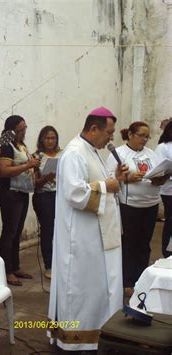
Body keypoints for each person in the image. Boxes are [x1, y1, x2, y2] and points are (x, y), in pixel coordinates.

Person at [47, 107, 129, 351]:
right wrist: (109, 185)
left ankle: (99, 334)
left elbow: (100, 183)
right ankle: (76, 340)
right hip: (81, 239)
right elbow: (75, 193)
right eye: (109, 132)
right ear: (94, 129)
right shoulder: (74, 153)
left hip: (97, 235)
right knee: (81, 290)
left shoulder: (91, 150)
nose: (111, 138)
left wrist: (113, 179)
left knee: (99, 289)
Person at [106, 121, 167, 298]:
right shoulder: (118, 154)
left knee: (144, 244)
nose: (145, 140)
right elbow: (111, 178)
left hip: (151, 204)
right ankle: (126, 282)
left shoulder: (151, 154)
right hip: (130, 206)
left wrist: (160, 179)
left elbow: (157, 171)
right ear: (131, 135)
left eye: (147, 136)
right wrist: (128, 179)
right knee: (129, 244)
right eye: (141, 135)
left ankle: (141, 280)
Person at [0, 115, 40, 286]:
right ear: (12, 130)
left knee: (17, 231)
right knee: (9, 232)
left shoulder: (21, 145)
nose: (24, 132)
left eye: (25, 128)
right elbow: (4, 171)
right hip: (9, 193)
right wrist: (28, 165)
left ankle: (15, 266)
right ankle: (6, 271)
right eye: (21, 130)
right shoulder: (6, 146)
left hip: (22, 192)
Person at [32, 126, 61, 280]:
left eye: (53, 138)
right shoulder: (37, 156)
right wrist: (46, 178)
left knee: (61, 230)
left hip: (60, 195)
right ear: (42, 139)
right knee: (47, 230)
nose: (50, 141)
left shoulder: (63, 154)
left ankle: (60, 262)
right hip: (44, 196)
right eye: (47, 138)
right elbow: (34, 183)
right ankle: (49, 265)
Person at [155, 121, 172, 258]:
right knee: (170, 220)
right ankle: (167, 251)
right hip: (169, 190)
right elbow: (160, 168)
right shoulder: (163, 147)